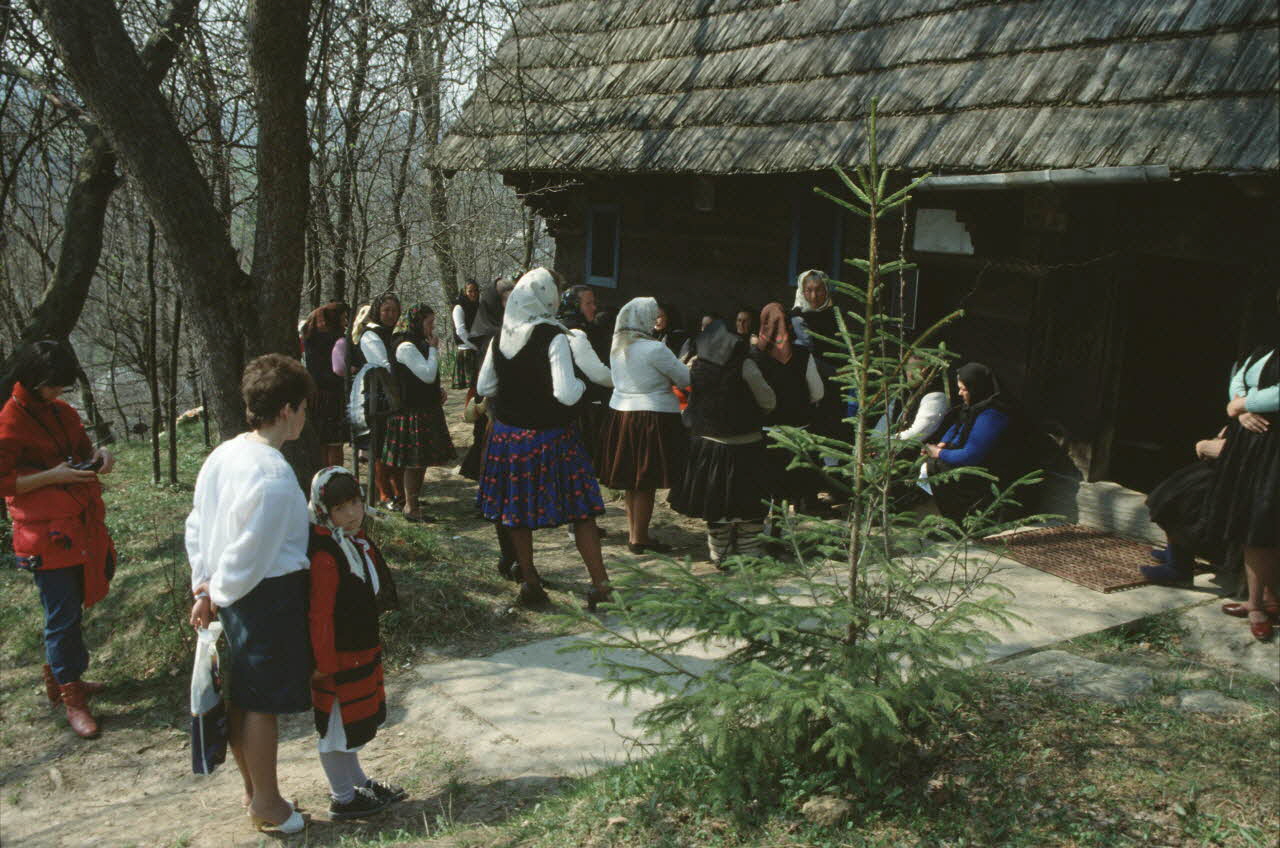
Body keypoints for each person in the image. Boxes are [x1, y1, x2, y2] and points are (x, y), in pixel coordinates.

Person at [187, 354, 314, 833]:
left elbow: (198, 524)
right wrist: (216, 590)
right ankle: (268, 803)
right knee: (261, 704)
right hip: (262, 595)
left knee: (244, 696)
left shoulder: (225, 454)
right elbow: (250, 551)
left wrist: (204, 584)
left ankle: (254, 790)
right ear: (286, 410)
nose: (304, 417)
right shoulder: (272, 475)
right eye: (302, 408)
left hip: (232, 591)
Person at [475, 268, 612, 609]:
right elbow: (565, 393)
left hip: (510, 439)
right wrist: (583, 386)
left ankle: (530, 582)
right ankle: (600, 586)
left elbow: (484, 386)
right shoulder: (553, 335)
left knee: (515, 513)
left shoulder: (500, 337)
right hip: (552, 438)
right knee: (581, 513)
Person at [0, 341, 116, 738]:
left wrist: (100, 456)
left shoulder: (62, 411)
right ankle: (72, 699)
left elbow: (82, 450)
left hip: (77, 524)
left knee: (73, 607)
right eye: (54, 385)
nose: (60, 392)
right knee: (61, 615)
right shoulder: (10, 420)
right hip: (41, 534)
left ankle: (65, 679)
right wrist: (52, 477)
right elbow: (3, 482)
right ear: (34, 379)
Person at [306, 467, 406, 820]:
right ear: (323, 511)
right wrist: (322, 664)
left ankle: (358, 782)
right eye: (339, 508)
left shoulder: (351, 542)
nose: (351, 514)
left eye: (355, 503)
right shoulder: (325, 554)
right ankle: (343, 797)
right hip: (336, 660)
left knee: (351, 725)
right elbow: (319, 615)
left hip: (358, 652)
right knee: (335, 729)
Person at [670, 320, 777, 565]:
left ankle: (720, 553)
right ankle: (749, 552)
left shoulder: (696, 365)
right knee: (749, 502)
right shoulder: (745, 365)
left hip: (709, 445)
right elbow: (768, 400)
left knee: (715, 502)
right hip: (747, 444)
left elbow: (687, 391)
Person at [598, 297, 691, 554]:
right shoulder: (655, 349)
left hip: (622, 414)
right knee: (645, 480)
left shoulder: (618, 347)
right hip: (651, 416)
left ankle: (635, 533)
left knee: (633, 481)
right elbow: (684, 378)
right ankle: (640, 537)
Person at [1205, 330, 1278, 641]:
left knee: (1265, 520)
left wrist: (1243, 405)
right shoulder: (1265, 347)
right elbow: (1239, 376)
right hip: (1254, 446)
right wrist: (1242, 408)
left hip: (1275, 447)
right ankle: (1261, 602)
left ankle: (1262, 605)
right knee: (1252, 519)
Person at [383, 304, 455, 521]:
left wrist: (436, 392)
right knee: (414, 463)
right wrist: (433, 349)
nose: (432, 328)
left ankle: (413, 505)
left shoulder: (417, 343)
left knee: (420, 462)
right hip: (412, 412)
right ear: (417, 323)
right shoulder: (406, 346)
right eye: (429, 323)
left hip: (423, 409)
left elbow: (425, 378)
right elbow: (427, 374)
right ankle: (411, 507)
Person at [751, 302, 825, 510]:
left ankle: (773, 519)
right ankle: (800, 513)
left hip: (765, 432)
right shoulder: (802, 355)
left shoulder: (753, 356)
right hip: (798, 431)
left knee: (770, 484)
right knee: (797, 481)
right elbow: (818, 392)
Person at [919, 363, 1015, 523]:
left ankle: (962, 520)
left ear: (977, 388)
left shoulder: (992, 415)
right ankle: (951, 516)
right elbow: (957, 425)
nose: (959, 393)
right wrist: (943, 443)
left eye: (963, 389)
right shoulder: (975, 406)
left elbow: (970, 456)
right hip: (977, 462)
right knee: (931, 463)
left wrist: (938, 453)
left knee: (936, 467)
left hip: (992, 472)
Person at [1140, 427, 1229, 587]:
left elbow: (1239, 450)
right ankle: (1175, 552)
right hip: (1223, 467)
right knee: (1169, 491)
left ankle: (1179, 569)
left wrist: (1205, 446)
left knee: (1180, 500)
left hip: (1237, 476)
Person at [351, 292, 403, 509]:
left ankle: (399, 493)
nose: (390, 315)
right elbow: (384, 366)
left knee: (395, 446)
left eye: (394, 310)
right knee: (380, 446)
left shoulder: (394, 334)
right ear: (377, 311)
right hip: (376, 397)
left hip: (394, 395)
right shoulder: (371, 335)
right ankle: (384, 494)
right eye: (386, 310)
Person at [559, 284, 614, 467]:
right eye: (588, 303)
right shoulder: (575, 333)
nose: (594, 308)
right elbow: (598, 374)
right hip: (579, 410)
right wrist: (620, 382)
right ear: (574, 306)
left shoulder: (559, 327)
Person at [303, 302, 351, 468]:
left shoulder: (309, 337)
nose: (345, 322)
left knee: (322, 443)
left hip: (315, 395)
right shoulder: (338, 339)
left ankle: (322, 475)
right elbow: (339, 369)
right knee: (335, 445)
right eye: (343, 318)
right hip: (333, 395)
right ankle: (335, 475)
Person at [451, 279, 481, 389]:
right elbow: (461, 331)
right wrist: (474, 346)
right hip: (466, 351)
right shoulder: (459, 308)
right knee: (470, 390)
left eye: (476, 290)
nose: (473, 294)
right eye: (470, 291)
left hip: (478, 349)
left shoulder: (478, 306)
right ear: (465, 292)